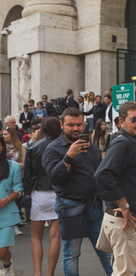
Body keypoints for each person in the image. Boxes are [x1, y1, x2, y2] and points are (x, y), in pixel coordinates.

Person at [42, 107, 112, 276]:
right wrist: (69, 156)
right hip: (70, 207)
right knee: (72, 254)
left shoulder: (92, 148)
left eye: (79, 125)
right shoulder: (53, 149)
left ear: (84, 125)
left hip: (95, 207)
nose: (75, 128)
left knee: (106, 252)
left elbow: (99, 176)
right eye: (70, 125)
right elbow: (54, 178)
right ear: (61, 125)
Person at [95, 102, 136, 276]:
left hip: (130, 223)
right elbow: (102, 175)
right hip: (128, 223)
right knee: (126, 273)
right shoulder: (123, 144)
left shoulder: (132, 143)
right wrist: (125, 206)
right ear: (121, 122)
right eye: (133, 119)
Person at [23, 117, 61, 276]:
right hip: (58, 193)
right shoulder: (63, 146)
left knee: (36, 237)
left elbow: (27, 175)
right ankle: (49, 273)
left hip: (39, 193)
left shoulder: (33, 147)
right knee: (55, 237)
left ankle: (37, 273)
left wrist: (26, 192)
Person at [0, 136, 23, 276]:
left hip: (7, 213)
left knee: (2, 252)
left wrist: (5, 200)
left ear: (2, 147)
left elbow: (18, 190)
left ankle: (7, 265)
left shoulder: (13, 166)